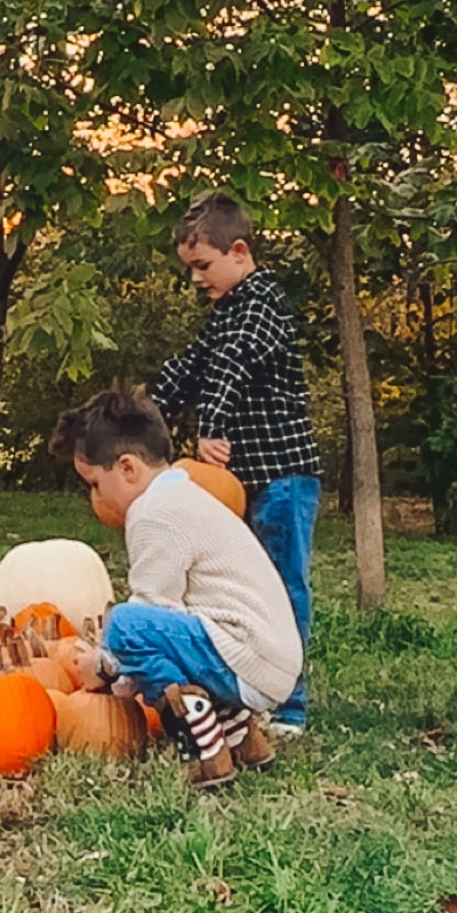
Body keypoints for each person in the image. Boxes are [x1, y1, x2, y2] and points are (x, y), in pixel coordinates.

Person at [49, 387, 303, 788]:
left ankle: (205, 746)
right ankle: (241, 735)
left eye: (95, 483)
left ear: (128, 468)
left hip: (247, 657)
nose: (94, 497)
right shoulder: (181, 494)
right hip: (266, 658)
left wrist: (102, 668)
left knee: (125, 625)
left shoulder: (152, 513)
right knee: (152, 632)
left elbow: (153, 616)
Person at [152, 191, 320, 736]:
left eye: (203, 266)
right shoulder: (225, 313)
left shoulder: (263, 302)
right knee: (242, 591)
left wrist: (213, 427)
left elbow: (233, 365)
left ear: (239, 252)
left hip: (283, 480)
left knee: (283, 585)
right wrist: (141, 419)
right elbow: (192, 367)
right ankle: (251, 689)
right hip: (244, 484)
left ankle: (289, 704)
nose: (197, 279)